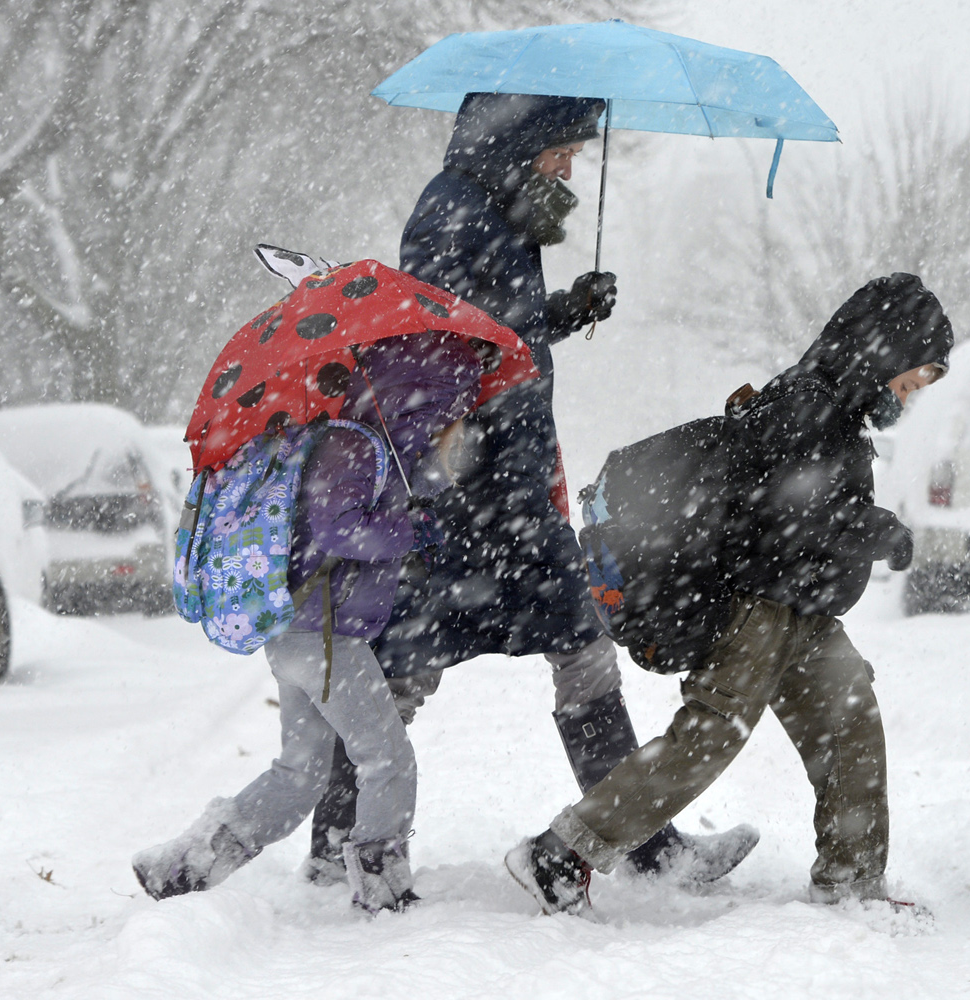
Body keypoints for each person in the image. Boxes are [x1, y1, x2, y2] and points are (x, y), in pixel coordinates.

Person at [306, 91, 757, 884]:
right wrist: (526, 329)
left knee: (574, 653)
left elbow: (493, 327)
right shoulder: (455, 212)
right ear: (524, 143)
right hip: (466, 496)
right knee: (409, 672)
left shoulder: (495, 205)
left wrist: (557, 311)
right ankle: (337, 847)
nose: (572, 165)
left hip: (502, 486)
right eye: (563, 149)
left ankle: (642, 846)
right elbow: (441, 341)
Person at [504, 273, 953, 915]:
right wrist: (874, 529)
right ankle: (560, 851)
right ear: (882, 354)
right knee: (706, 740)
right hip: (758, 610)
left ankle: (851, 884)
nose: (906, 399)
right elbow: (787, 512)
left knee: (851, 723)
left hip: (806, 612)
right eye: (907, 382)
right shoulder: (803, 402)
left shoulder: (840, 413)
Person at [132, 331, 485, 914]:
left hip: (303, 634)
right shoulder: (350, 446)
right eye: (449, 406)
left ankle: (183, 865)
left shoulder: (373, 446)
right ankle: (382, 885)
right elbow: (337, 529)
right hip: (326, 637)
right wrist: (410, 534)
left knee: (299, 775)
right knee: (386, 760)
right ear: (418, 400)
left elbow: (361, 510)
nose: (455, 420)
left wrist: (422, 502)